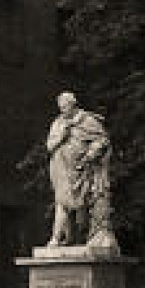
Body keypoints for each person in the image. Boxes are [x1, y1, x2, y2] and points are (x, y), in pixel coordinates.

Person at [46, 91, 114, 248]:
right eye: (60, 108)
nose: (63, 111)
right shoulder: (57, 123)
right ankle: (56, 238)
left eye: (65, 107)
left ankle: (76, 238)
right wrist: (61, 136)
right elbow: (49, 147)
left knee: (81, 206)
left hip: (82, 169)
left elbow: (102, 140)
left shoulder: (87, 120)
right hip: (61, 168)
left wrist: (92, 152)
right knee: (62, 202)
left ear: (73, 105)